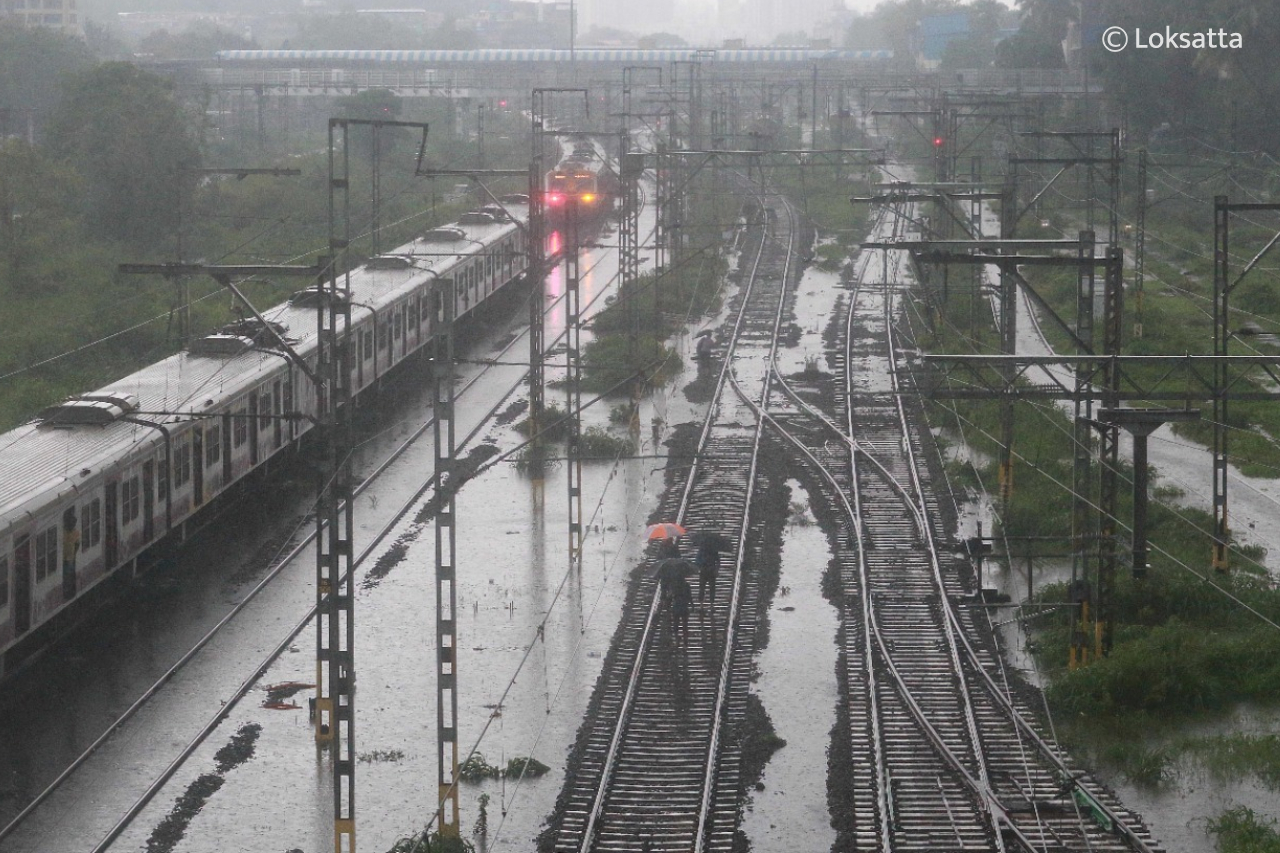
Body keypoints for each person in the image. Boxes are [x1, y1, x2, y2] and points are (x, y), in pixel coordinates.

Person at [696, 537, 722, 607]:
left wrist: (700, 566)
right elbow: (718, 561)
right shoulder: (714, 551)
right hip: (711, 571)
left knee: (702, 587)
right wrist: (716, 569)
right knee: (711, 588)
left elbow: (697, 561)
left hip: (704, 571)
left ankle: (701, 604)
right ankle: (711, 604)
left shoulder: (701, 551)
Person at [61, 507, 80, 601]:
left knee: (68, 573)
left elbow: (77, 544)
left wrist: (73, 554)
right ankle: (65, 589)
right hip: (64, 558)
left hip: (69, 558)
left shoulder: (75, 533)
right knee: (66, 573)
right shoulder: (64, 532)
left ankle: (68, 589)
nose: (72, 525)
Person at [670, 575, 692, 643]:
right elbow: (689, 596)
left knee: (676, 623)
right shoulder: (686, 585)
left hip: (676, 606)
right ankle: (685, 638)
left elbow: (670, 596)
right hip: (684, 606)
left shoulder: (674, 585)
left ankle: (676, 637)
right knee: (685, 624)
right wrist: (692, 605)